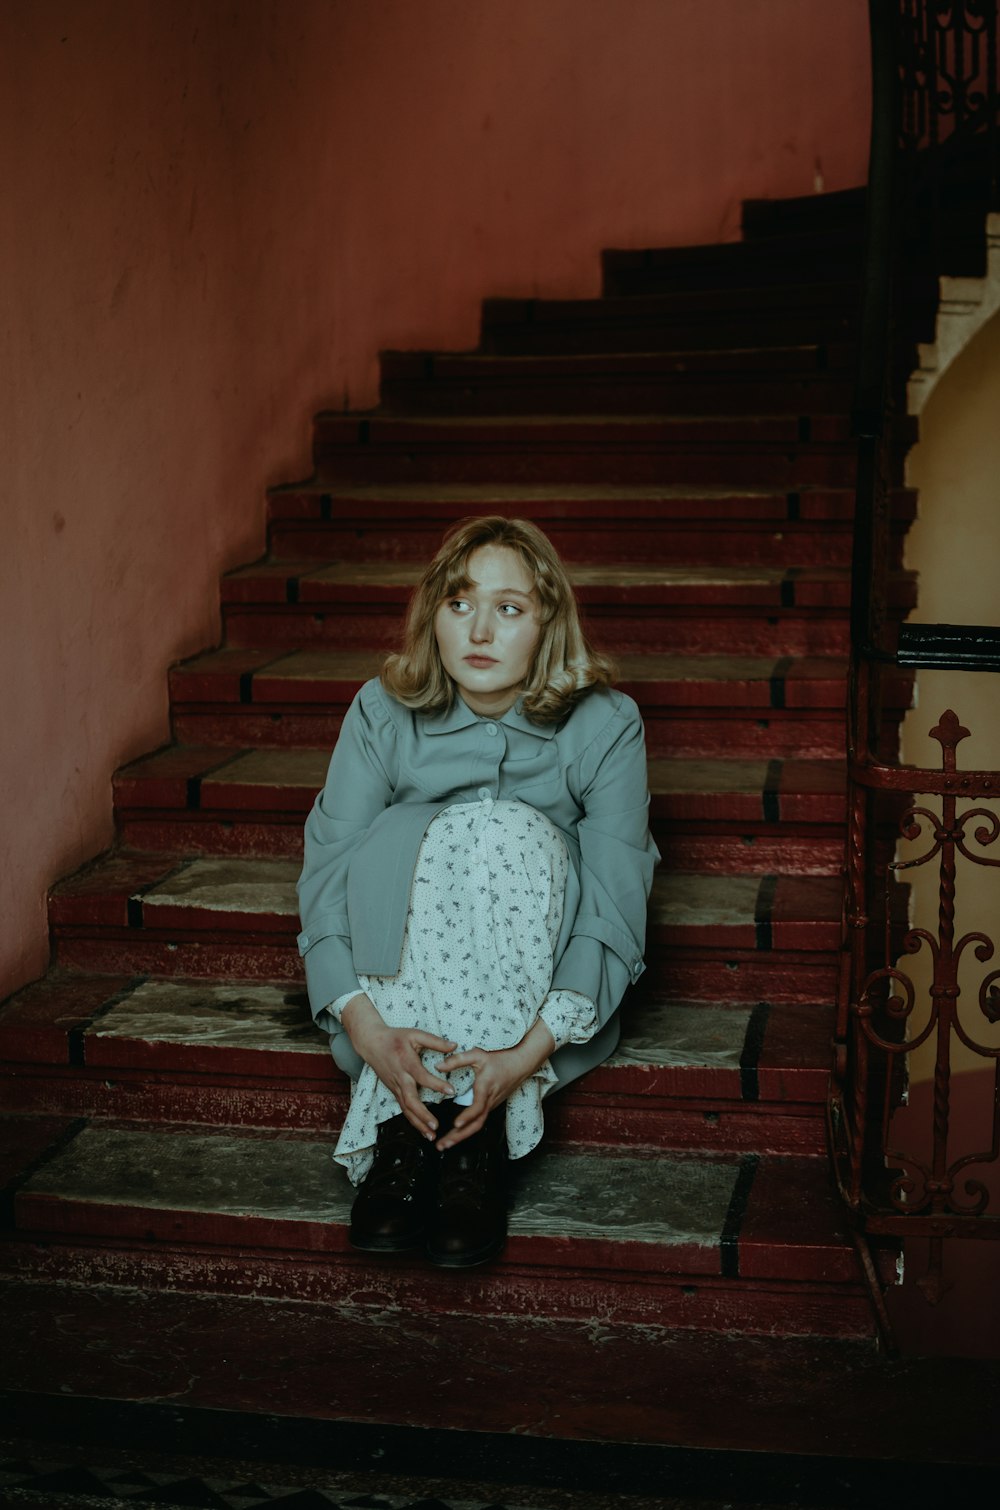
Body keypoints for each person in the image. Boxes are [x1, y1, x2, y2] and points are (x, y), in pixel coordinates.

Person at [296, 515, 659, 1268]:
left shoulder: (607, 724)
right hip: (395, 990)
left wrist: (526, 1054)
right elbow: (329, 868)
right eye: (459, 604)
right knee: (415, 829)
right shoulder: (380, 710)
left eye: (510, 607)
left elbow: (618, 894)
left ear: (547, 623)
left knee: (506, 829)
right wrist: (365, 1029)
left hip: (529, 1007)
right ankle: (406, 1123)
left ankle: (478, 1130)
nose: (481, 630)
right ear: (434, 614)